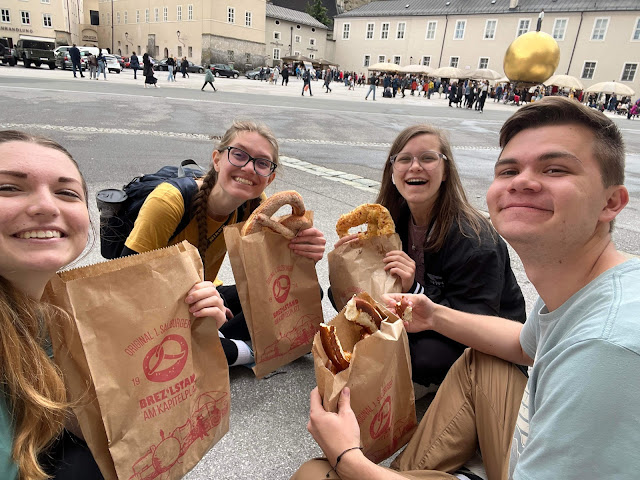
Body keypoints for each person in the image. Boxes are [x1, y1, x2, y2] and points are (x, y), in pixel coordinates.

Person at [294, 96, 639, 479]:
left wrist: (348, 457)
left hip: (480, 384)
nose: (523, 181)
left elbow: (481, 311)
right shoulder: (579, 291)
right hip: (508, 415)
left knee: (314, 473)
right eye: (508, 170)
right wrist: (431, 313)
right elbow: (525, 345)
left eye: (555, 169)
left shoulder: (607, 348)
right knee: (482, 359)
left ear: (611, 202)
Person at [0, 130, 222, 479]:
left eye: (66, 193)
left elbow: (72, 415)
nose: (46, 206)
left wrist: (189, 330)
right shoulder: (170, 201)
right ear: (217, 159)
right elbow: (133, 269)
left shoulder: (51, 314)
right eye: (9, 188)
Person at [330, 124, 525, 387]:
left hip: (485, 340)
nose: (415, 167)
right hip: (420, 317)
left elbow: (475, 320)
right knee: (347, 299)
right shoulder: (392, 218)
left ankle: (435, 382)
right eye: (404, 159)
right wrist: (355, 261)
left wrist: (415, 288)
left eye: (428, 158)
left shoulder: (474, 240)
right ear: (392, 171)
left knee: (424, 356)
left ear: (446, 172)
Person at [122, 121, 326, 367]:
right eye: (239, 155)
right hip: (157, 308)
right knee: (196, 343)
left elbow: (269, 275)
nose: (249, 168)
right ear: (217, 160)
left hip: (209, 294)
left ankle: (221, 344)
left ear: (269, 178)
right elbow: (124, 286)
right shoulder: (169, 201)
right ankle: (242, 350)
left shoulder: (254, 205)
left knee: (306, 292)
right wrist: (200, 308)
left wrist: (302, 256)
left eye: (262, 163)